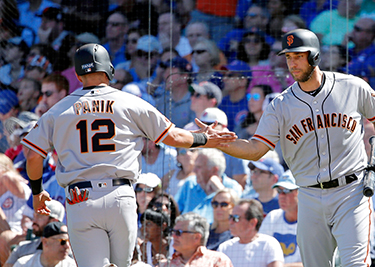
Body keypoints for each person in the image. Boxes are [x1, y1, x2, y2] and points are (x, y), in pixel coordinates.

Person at [21, 43, 236, 267]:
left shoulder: (57, 110)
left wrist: (37, 193)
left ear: (77, 74)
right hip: (120, 195)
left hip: (80, 197)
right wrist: (205, 139)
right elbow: (172, 136)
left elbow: (34, 156)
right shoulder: (130, 102)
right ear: (110, 70)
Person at [208, 29, 375, 267]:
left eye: (298, 56)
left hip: (351, 192)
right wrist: (218, 142)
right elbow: (256, 149)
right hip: (308, 195)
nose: (292, 63)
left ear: (315, 57)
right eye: (288, 57)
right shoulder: (280, 105)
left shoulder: (351, 86)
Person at [174, 148, 242, 224]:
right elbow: (174, 211)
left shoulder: (232, 187)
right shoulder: (190, 184)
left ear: (214, 170)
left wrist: (220, 190)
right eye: (195, 166)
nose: (194, 171)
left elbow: (237, 216)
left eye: (199, 167)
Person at [217, 199, 284, 267]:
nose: (230, 222)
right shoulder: (224, 248)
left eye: (236, 218)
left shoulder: (268, 244)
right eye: (230, 217)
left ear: (252, 223)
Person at [3, 200, 66, 267]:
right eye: (34, 216)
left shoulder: (69, 254)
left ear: (53, 221)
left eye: (39, 216)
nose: (34, 221)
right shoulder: (22, 249)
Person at [259, 170, 303, 266]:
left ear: (301, 192)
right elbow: (259, 252)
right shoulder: (272, 217)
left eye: (287, 190)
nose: (282, 196)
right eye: (279, 191)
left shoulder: (311, 222)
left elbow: (312, 263)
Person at [159, 212, 234, 267]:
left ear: (197, 237)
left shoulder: (217, 260)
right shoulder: (164, 264)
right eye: (173, 231)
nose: (173, 236)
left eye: (179, 232)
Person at [219, 60, 252, 131]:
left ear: (243, 81)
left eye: (230, 75)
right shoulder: (222, 103)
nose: (224, 79)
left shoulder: (252, 102)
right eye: (224, 75)